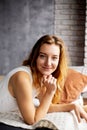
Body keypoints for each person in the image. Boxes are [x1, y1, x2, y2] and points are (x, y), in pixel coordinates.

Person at [0, 35, 87, 130]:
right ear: (35, 57)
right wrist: (50, 92)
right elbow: (32, 120)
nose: (48, 63)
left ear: (59, 60)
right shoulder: (22, 77)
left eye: (54, 58)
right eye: (42, 56)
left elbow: (46, 107)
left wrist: (72, 106)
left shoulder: (41, 76)